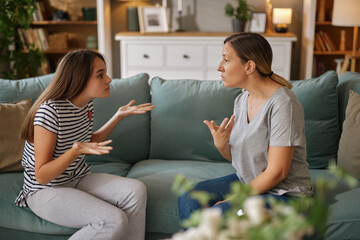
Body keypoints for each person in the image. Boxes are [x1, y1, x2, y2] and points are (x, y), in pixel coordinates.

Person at [15, 50, 154, 240]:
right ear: (79, 79)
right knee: (114, 219)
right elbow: (42, 176)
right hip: (44, 191)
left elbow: (88, 141)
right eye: (100, 74)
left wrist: (118, 116)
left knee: (136, 190)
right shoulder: (49, 111)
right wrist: (75, 150)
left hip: (77, 178)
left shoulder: (85, 105)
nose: (109, 79)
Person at [178, 33, 313, 221]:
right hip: (251, 184)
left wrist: (234, 201)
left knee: (225, 214)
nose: (219, 67)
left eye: (226, 60)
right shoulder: (242, 99)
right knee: (188, 198)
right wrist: (222, 145)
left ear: (249, 66)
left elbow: (277, 172)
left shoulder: (283, 105)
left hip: (284, 196)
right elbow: (244, 160)